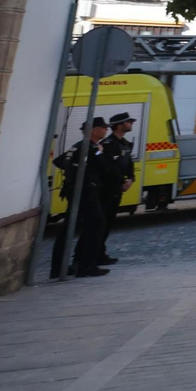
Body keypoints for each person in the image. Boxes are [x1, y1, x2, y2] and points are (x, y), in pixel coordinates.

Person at [53, 117, 111, 276]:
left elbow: (60, 161)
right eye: (103, 127)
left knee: (71, 227)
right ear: (93, 130)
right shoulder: (90, 148)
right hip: (85, 192)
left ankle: (59, 268)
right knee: (97, 224)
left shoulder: (78, 146)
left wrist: (73, 173)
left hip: (77, 190)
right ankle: (86, 266)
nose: (106, 130)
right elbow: (104, 167)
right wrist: (99, 152)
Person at [97, 112, 137, 265]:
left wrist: (131, 179)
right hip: (106, 189)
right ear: (120, 125)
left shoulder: (124, 144)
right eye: (129, 122)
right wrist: (122, 181)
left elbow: (129, 164)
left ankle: (100, 253)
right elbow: (107, 168)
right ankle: (93, 254)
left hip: (117, 190)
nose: (131, 124)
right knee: (101, 223)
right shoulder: (108, 144)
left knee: (108, 223)